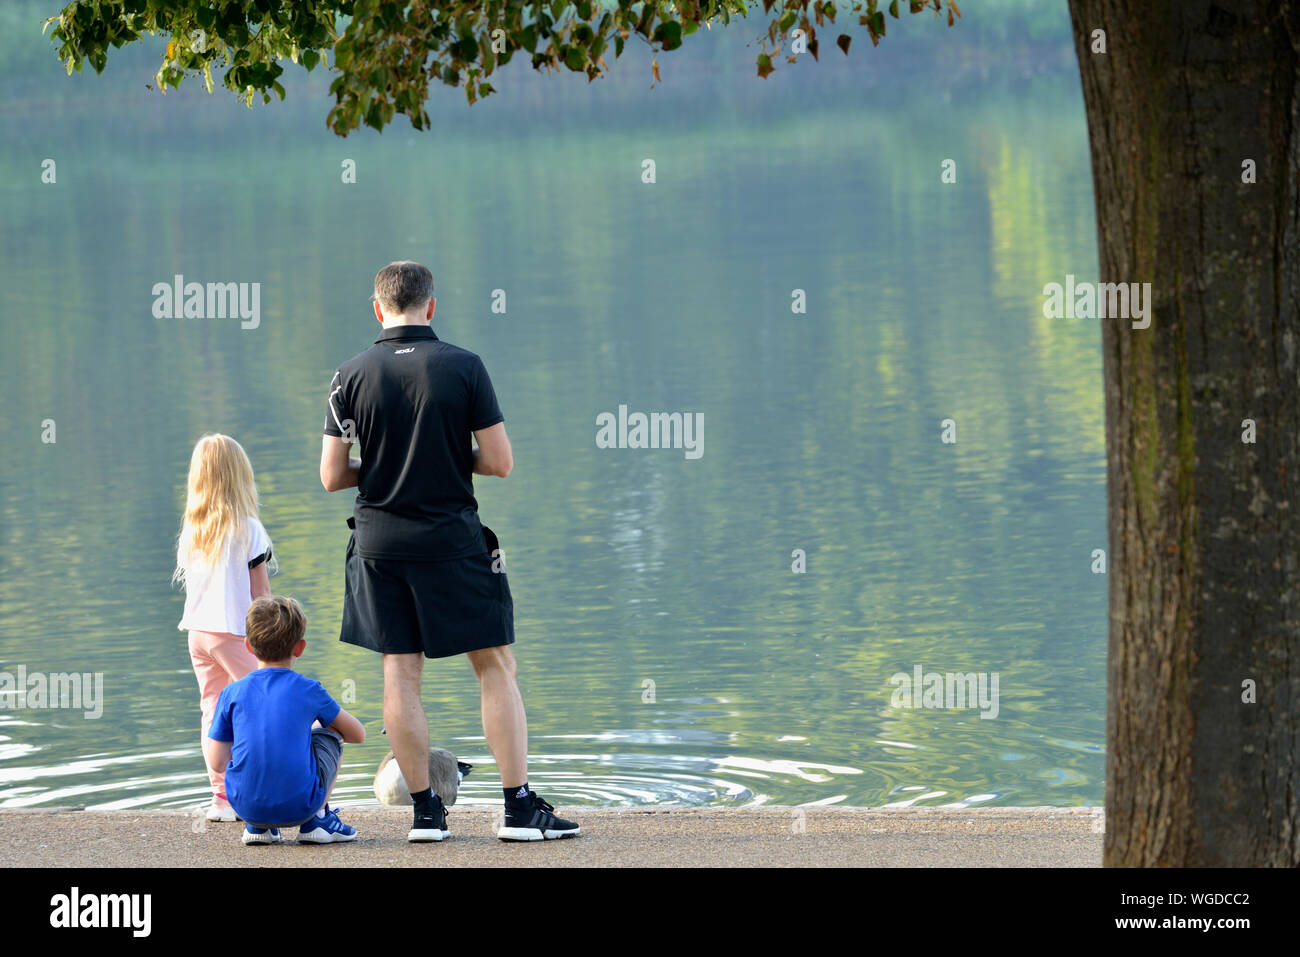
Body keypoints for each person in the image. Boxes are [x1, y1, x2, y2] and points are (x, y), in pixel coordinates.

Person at [320, 260, 579, 843]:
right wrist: (443, 456)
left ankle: (425, 817)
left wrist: (386, 464)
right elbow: (500, 462)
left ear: (378, 308)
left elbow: (333, 475)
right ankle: (516, 810)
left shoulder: (349, 374)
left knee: (400, 675)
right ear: (431, 307)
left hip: (379, 546)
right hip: (450, 542)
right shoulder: (465, 367)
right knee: (494, 666)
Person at [208, 595, 366, 845]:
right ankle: (318, 819)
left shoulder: (232, 692)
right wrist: (318, 723)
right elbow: (357, 734)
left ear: (248, 646)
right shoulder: (309, 689)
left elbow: (216, 762)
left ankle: (259, 828)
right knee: (330, 733)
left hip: (245, 807)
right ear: (300, 647)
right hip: (299, 805)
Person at [173, 433, 272, 823]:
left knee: (213, 710)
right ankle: (269, 788)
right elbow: (261, 593)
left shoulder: (193, 529)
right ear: (240, 475)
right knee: (268, 702)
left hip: (198, 634)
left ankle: (221, 798)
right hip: (235, 632)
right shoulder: (248, 528)